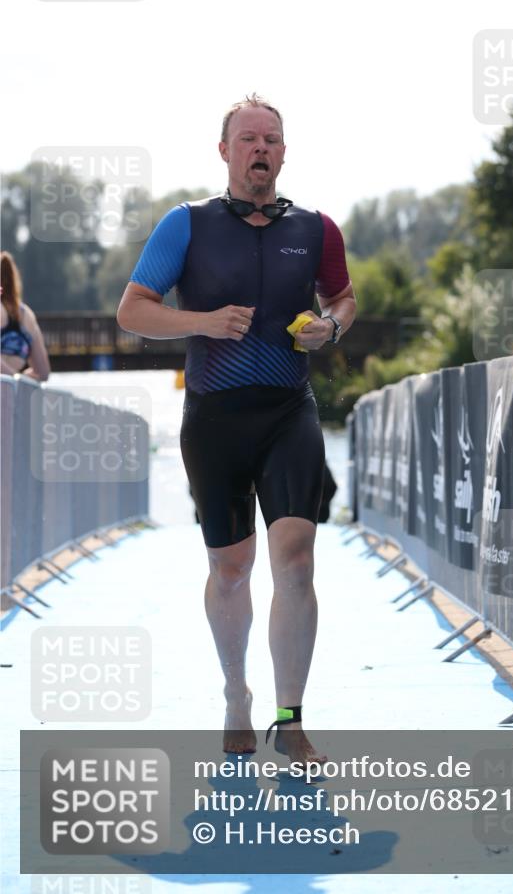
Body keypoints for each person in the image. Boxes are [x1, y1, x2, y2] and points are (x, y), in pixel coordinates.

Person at [117, 94, 356, 763]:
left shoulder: (315, 228)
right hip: (214, 417)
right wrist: (200, 321)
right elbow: (132, 312)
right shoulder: (186, 224)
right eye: (248, 138)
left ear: (284, 152)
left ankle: (291, 717)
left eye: (271, 139)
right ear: (223, 150)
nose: (260, 149)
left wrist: (330, 326)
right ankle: (234, 693)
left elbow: (342, 296)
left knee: (296, 561)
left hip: (289, 410)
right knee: (230, 570)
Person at [1, 252, 50, 382]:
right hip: (12, 395)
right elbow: (43, 372)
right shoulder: (28, 315)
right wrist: (19, 377)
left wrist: (14, 377)